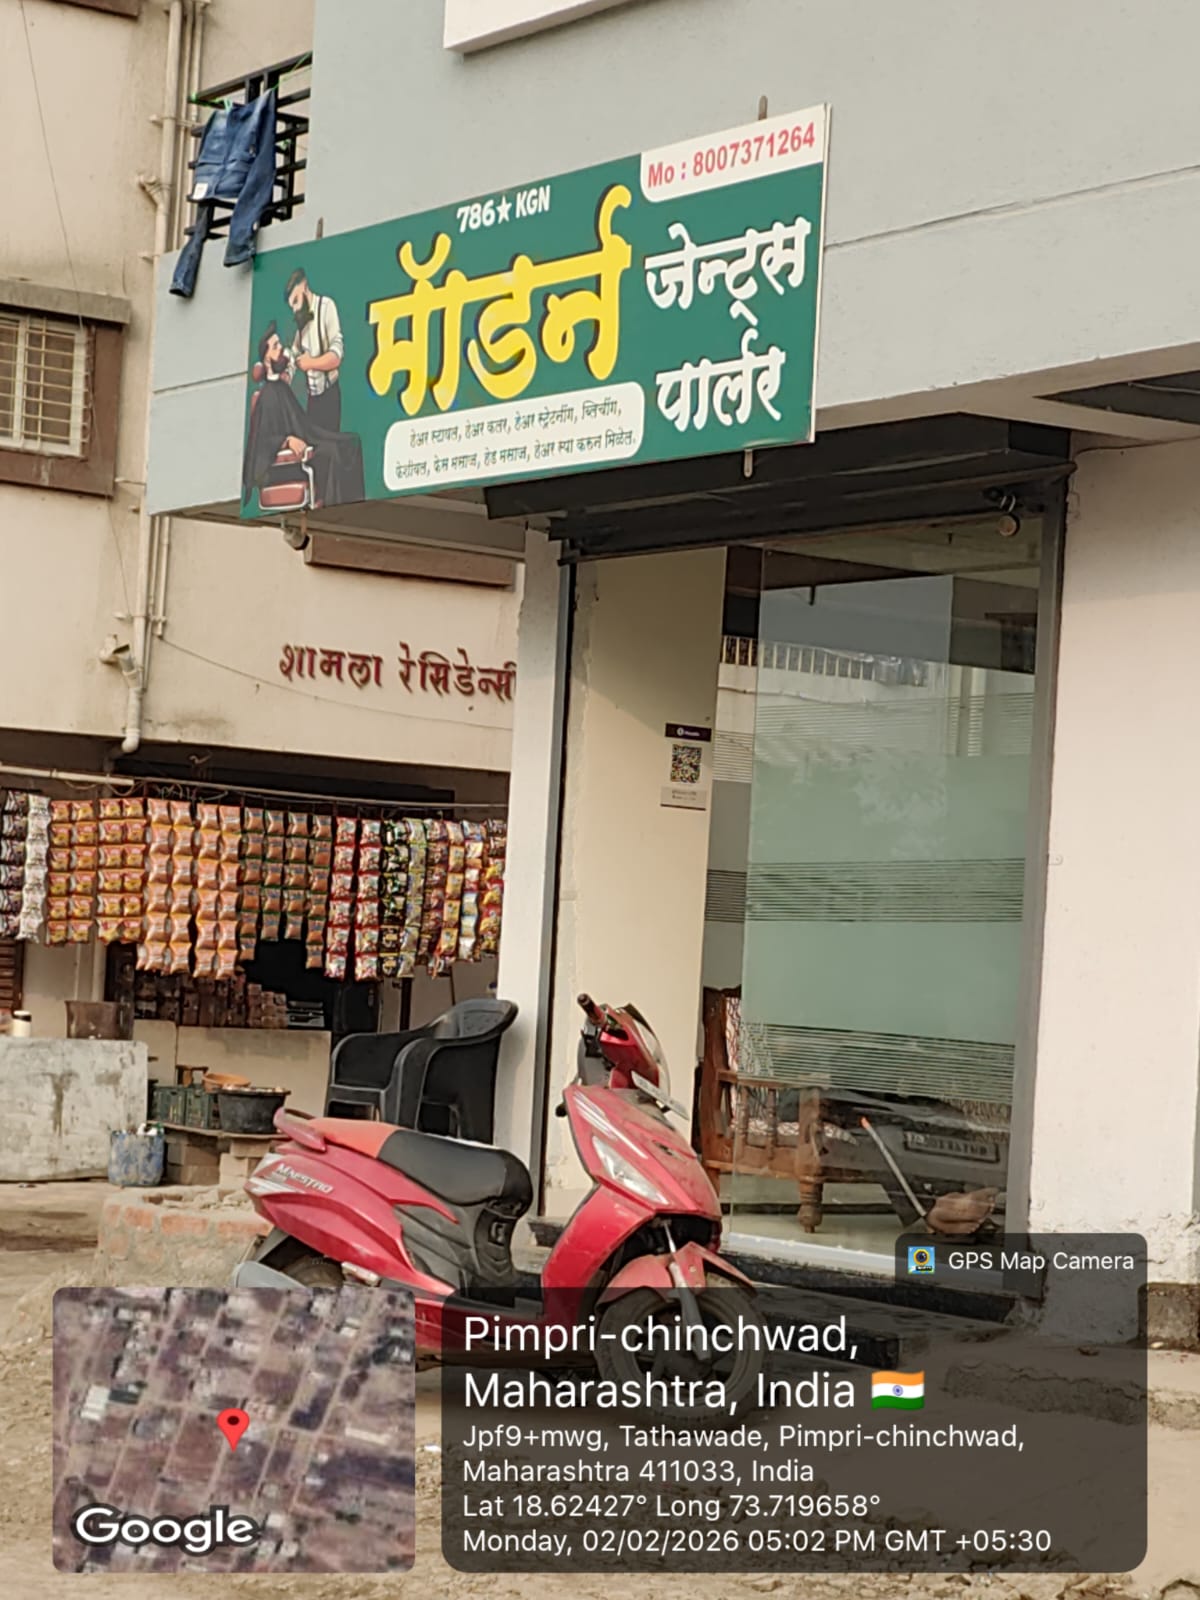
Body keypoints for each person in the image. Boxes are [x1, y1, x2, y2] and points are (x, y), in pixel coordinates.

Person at [243, 321, 364, 510]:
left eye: (279, 344)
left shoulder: (281, 388)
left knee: (350, 443)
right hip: (286, 468)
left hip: (304, 446)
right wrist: (287, 441)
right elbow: (263, 441)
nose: (281, 349)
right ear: (266, 358)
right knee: (333, 452)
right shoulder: (267, 397)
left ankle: (355, 507)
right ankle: (335, 509)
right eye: (275, 347)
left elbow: (301, 424)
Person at [285, 267, 344, 431]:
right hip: (312, 399)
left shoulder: (326, 307)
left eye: (296, 301)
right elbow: (294, 351)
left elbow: (336, 356)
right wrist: (287, 373)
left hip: (329, 394)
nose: (295, 309)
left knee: (330, 443)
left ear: (304, 287)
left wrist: (311, 363)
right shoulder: (301, 319)